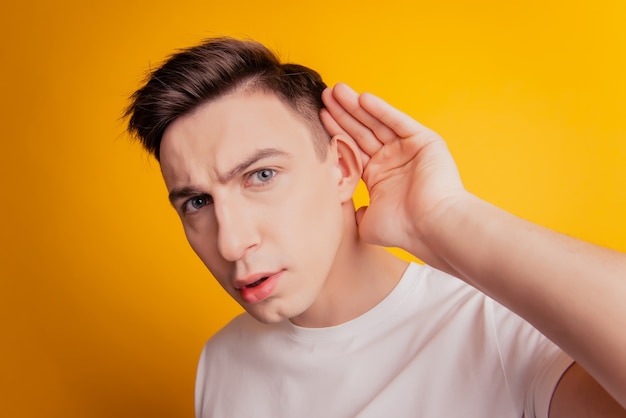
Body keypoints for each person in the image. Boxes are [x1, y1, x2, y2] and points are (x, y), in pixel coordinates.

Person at [125, 37, 626, 417]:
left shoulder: (500, 329)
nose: (232, 242)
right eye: (196, 202)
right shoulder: (221, 362)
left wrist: (445, 219)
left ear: (343, 168)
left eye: (261, 175)